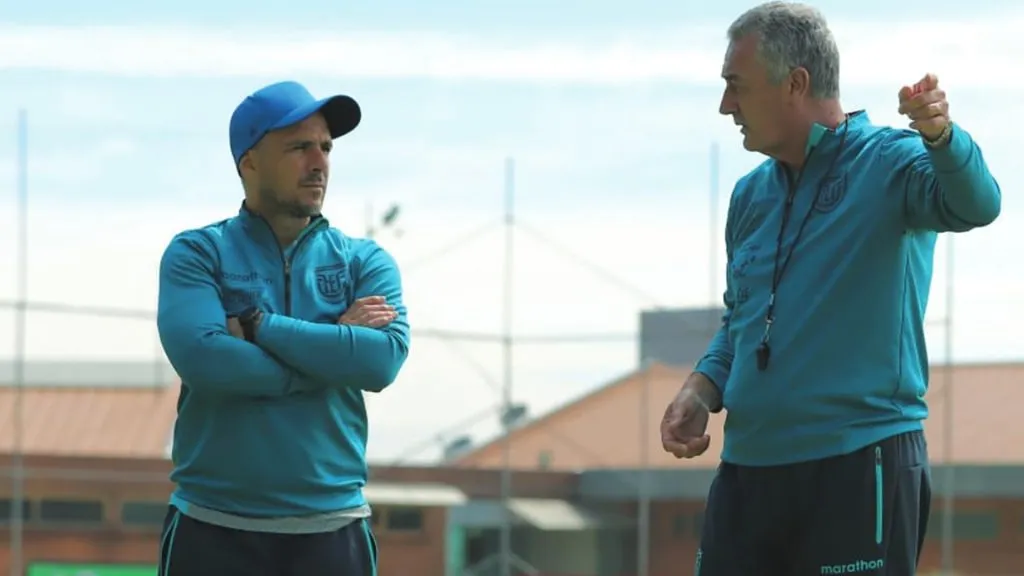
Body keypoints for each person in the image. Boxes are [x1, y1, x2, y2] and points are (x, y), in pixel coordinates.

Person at [659, 3, 1000, 575]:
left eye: (736, 85)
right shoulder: (749, 196)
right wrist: (700, 388)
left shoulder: (891, 162)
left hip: (859, 464)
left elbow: (978, 204)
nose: (725, 105)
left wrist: (941, 137)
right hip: (747, 474)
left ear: (795, 84)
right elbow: (742, 322)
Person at [155, 80, 410, 576]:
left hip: (333, 532)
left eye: (326, 148)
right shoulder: (198, 253)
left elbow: (379, 363)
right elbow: (207, 362)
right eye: (299, 148)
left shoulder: (365, 261)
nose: (319, 163)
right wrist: (333, 348)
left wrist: (258, 326)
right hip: (213, 528)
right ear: (249, 162)